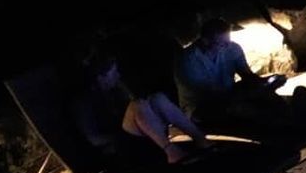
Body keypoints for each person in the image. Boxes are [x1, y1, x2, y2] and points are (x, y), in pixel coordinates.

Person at [176, 18, 306, 133]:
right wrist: (246, 94)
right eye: (221, 43)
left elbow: (247, 76)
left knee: (257, 91)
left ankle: (289, 114)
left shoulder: (232, 48)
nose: (226, 46)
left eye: (227, 41)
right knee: (237, 106)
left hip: (229, 95)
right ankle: (290, 120)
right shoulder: (188, 61)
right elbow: (210, 96)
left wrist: (266, 82)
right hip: (202, 107)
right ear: (205, 41)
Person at [75, 52, 210, 166]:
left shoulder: (115, 91)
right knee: (137, 105)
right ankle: (171, 152)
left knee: (157, 98)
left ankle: (200, 139)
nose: (118, 75)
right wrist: (119, 137)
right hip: (120, 144)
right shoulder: (85, 102)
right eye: (113, 72)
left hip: (138, 134)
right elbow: (93, 139)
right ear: (101, 77)